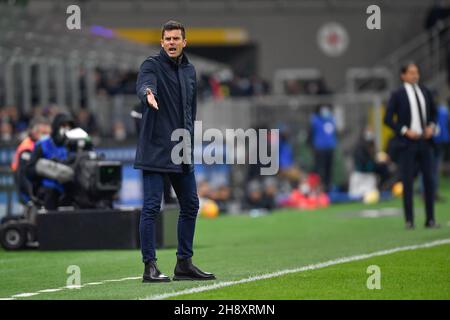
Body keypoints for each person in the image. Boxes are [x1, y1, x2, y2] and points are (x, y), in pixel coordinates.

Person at [135, 20, 215, 283]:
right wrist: (148, 93)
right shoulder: (151, 65)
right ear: (161, 42)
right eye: (167, 39)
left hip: (181, 149)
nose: (171, 42)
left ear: (184, 42)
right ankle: (150, 267)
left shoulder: (191, 71)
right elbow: (145, 83)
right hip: (156, 148)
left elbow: (190, 110)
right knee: (151, 208)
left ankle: (184, 264)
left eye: (175, 38)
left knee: (191, 204)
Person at [384, 62, 439, 229]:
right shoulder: (397, 94)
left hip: (425, 141)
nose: (415, 75)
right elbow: (387, 119)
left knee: (429, 180)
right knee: (407, 181)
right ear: (403, 75)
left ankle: (430, 219)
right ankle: (409, 220)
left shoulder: (425, 91)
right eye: (411, 72)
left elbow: (434, 114)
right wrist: (404, 130)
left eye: (417, 72)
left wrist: (431, 126)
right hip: (407, 144)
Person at [26, 112, 75, 210]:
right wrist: (49, 170)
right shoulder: (42, 144)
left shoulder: (74, 145)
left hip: (69, 187)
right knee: (50, 192)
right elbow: (30, 171)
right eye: (63, 125)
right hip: (48, 189)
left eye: (69, 126)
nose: (66, 129)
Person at [11, 117, 51, 204]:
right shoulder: (27, 148)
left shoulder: (42, 145)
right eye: (43, 133)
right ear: (33, 131)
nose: (46, 137)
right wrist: (32, 197)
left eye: (48, 133)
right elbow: (23, 177)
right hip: (29, 195)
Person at [308, 105, 337, 192]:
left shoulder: (331, 120)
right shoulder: (316, 120)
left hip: (329, 148)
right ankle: (319, 188)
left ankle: (328, 188)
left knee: (329, 169)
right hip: (320, 149)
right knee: (320, 170)